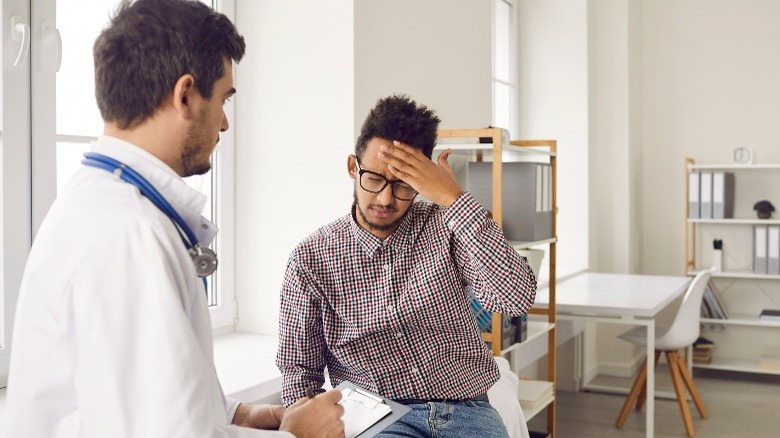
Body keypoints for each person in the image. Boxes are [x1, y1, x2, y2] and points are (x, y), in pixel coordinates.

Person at [6, 1, 344, 437]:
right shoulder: (129, 235)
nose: (224, 122)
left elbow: (139, 392)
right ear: (185, 95)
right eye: (223, 98)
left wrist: (238, 414)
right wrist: (298, 437)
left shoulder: (107, 206)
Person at [276, 94, 537, 437]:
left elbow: (515, 298)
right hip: (377, 418)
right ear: (353, 167)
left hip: (467, 411)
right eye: (373, 178)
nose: (385, 199)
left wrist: (452, 199)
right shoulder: (311, 258)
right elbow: (299, 370)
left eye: (402, 185)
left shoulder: (448, 226)